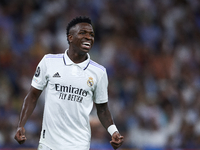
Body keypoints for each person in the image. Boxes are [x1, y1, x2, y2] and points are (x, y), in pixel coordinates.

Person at [14, 16, 124, 150]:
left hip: (79, 144)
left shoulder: (99, 72)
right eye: (83, 33)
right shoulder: (49, 62)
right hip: (48, 144)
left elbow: (102, 109)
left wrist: (114, 131)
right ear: (70, 37)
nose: (89, 37)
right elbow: (32, 96)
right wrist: (21, 125)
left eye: (91, 34)